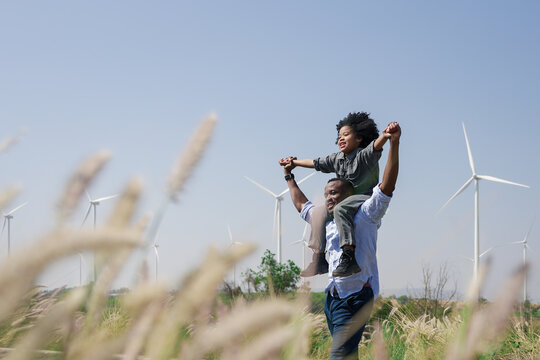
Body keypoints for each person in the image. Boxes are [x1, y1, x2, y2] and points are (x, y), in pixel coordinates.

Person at [282, 121, 400, 359]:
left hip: (356, 297)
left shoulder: (366, 214)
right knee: (348, 355)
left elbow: (387, 186)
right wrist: (289, 175)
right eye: (326, 194)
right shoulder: (326, 219)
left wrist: (393, 143)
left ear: (349, 194)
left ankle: (348, 256)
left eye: (334, 193)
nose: (328, 198)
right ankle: (320, 259)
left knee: (338, 355)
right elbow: (301, 204)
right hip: (333, 297)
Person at [280, 112, 392, 278]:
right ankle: (319, 259)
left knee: (340, 209)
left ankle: (348, 256)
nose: (341, 139)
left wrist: (386, 135)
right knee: (319, 213)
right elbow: (315, 163)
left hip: (364, 197)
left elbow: (376, 146)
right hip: (346, 198)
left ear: (359, 138)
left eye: (346, 135)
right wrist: (293, 163)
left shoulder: (364, 156)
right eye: (339, 136)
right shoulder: (337, 159)